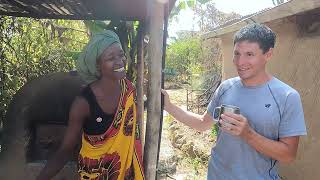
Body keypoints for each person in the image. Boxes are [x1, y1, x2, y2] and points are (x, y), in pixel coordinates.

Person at [161, 23, 307, 180]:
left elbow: (288, 155)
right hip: (216, 175)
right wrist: (169, 106)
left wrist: (248, 133)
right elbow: (203, 123)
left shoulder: (287, 97)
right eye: (237, 53)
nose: (240, 62)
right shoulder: (226, 87)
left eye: (249, 54)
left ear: (268, 54)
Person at [37, 30, 144, 180]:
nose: (120, 61)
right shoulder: (83, 103)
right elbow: (66, 149)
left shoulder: (129, 91)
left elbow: (134, 127)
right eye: (111, 58)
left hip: (125, 174)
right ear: (98, 65)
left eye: (121, 55)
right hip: (93, 175)